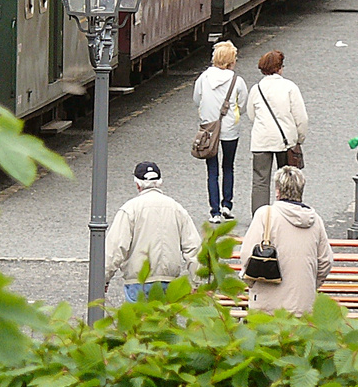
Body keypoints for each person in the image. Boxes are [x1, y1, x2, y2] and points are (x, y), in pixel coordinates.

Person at [236, 165, 333, 316]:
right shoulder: (315, 220)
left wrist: (251, 283)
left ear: (278, 191)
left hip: (267, 303)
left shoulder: (265, 214)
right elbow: (325, 261)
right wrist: (310, 286)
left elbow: (247, 255)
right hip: (303, 303)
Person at [104, 161, 201, 302]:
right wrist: (196, 281)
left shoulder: (129, 209)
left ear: (137, 184)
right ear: (160, 182)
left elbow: (115, 248)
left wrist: (104, 278)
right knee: (164, 321)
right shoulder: (176, 208)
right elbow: (193, 247)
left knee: (139, 321)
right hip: (169, 280)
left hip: (138, 280)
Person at [192, 41, 249, 224]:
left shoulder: (203, 78)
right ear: (231, 61)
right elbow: (243, 104)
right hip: (230, 128)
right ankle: (227, 204)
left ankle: (214, 211)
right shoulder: (236, 81)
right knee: (228, 166)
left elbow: (196, 99)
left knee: (212, 170)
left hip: (209, 129)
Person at [247, 50, 308, 214]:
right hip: (285, 140)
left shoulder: (256, 88)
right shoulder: (289, 87)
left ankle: (260, 216)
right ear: (280, 68)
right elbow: (300, 117)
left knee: (260, 180)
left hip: (261, 139)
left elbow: (251, 114)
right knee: (288, 179)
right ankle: (288, 211)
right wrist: (299, 138)